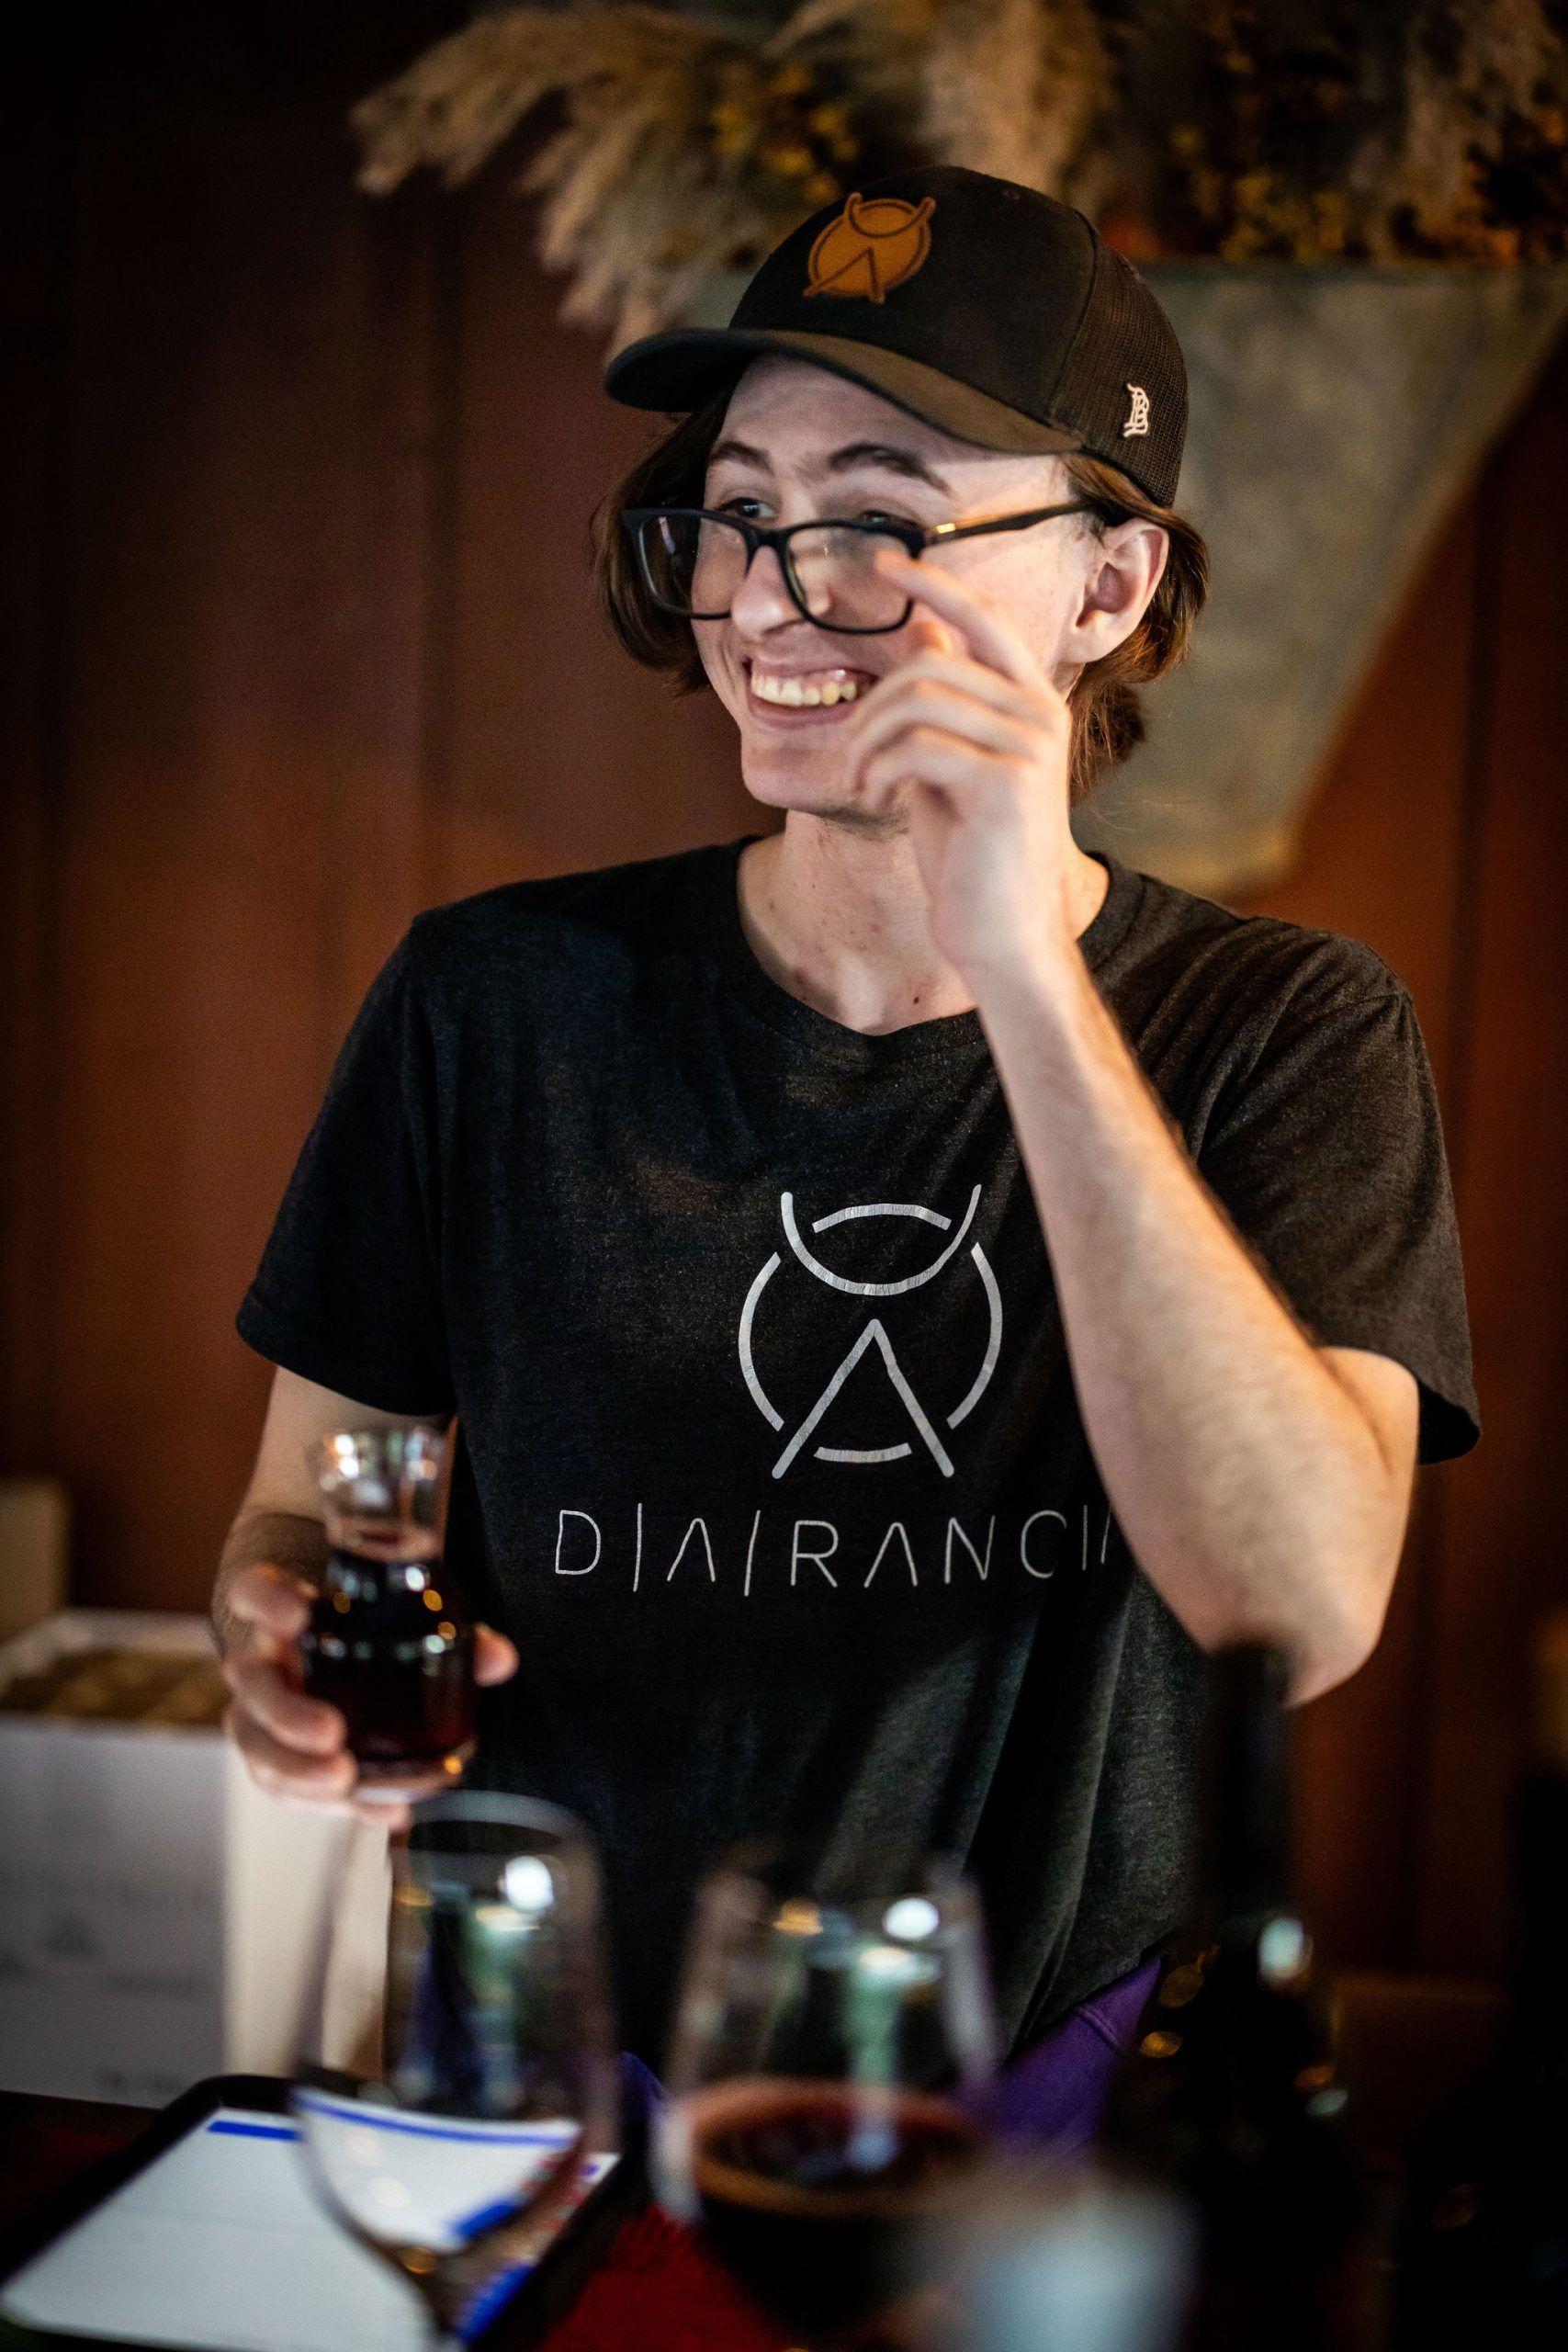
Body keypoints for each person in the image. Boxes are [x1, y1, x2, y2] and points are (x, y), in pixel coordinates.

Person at [213, 166, 1479, 2083]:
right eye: (738, 514)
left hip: (1042, 2086)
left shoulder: (1288, 1031)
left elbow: (1292, 1611)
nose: (764, 600)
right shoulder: (493, 1000)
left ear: (1108, 585)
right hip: (538, 2055)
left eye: (877, 521)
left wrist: (1020, 969)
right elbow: (312, 1503)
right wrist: (278, 1619)